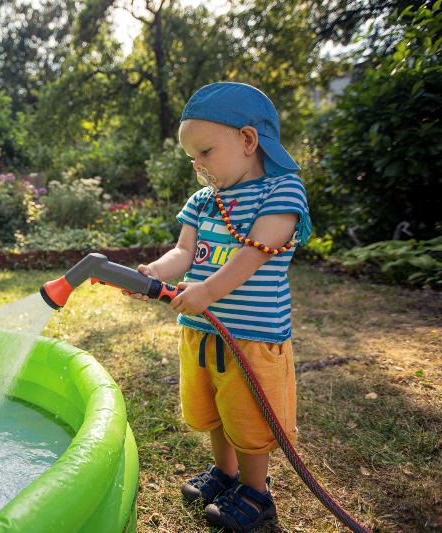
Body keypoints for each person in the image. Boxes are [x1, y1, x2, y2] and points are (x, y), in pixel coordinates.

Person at [125, 82, 312, 531]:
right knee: (211, 408)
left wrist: (206, 291)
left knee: (248, 416)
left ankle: (255, 490)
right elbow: (183, 252)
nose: (197, 165)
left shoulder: (282, 192)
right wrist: (156, 271)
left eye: (205, 151)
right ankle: (225, 474)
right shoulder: (202, 203)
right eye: (191, 157)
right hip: (201, 330)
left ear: (248, 141)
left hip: (252, 336)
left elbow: (253, 255)